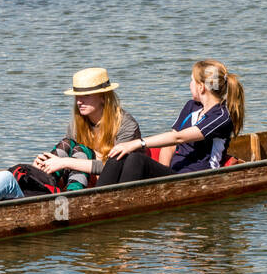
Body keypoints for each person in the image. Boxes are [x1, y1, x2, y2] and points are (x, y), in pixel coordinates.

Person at [100, 60, 245, 184]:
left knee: (137, 159)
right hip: (175, 176)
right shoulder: (191, 106)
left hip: (200, 178)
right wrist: (163, 175)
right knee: (120, 155)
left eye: (192, 81)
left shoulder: (221, 117)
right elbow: (170, 145)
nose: (189, 85)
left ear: (201, 87)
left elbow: (179, 137)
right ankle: (97, 199)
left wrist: (137, 143)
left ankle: (121, 204)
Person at [26, 68, 142, 192]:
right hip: (87, 176)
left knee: (78, 151)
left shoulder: (126, 124)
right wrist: (42, 164)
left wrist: (65, 162)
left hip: (118, 180)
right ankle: (39, 184)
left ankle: (72, 196)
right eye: (77, 96)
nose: (79, 101)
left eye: (86, 96)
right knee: (67, 145)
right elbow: (69, 155)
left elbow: (114, 167)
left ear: (103, 97)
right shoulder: (76, 124)